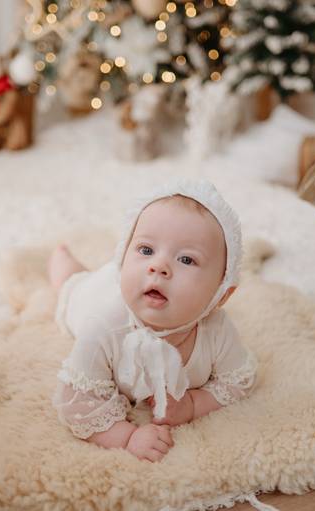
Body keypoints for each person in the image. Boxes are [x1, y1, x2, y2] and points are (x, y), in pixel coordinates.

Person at [49, 180, 257, 462]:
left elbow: (238, 382)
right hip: (94, 294)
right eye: (146, 250)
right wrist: (127, 436)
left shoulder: (217, 330)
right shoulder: (103, 326)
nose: (158, 266)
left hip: (135, 286)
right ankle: (61, 258)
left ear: (221, 295)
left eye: (186, 259)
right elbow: (77, 403)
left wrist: (194, 404)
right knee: (70, 284)